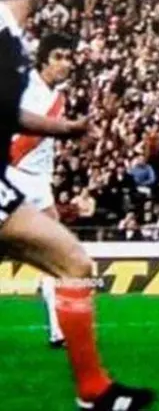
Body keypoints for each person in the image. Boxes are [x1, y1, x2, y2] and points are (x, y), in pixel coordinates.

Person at [0, 0, 155, 410]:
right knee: (74, 264)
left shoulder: (10, 34)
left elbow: (4, 111)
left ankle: (94, 389)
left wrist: (61, 130)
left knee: (71, 263)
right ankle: (93, 389)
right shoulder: (5, 34)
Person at [8, 31, 76, 348]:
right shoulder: (24, 84)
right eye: (59, 57)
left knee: (58, 256)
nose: (66, 63)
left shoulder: (58, 96)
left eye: (68, 57)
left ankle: (58, 329)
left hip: (40, 184)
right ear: (44, 61)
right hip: (15, 177)